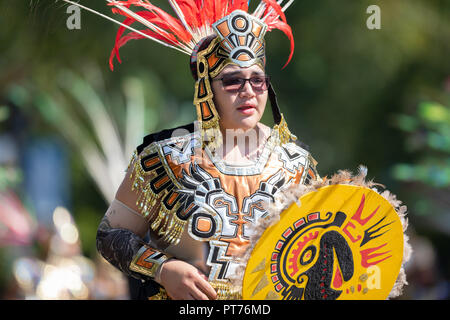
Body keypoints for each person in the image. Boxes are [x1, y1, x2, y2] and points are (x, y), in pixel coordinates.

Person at [81, 0, 320, 300]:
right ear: (206, 86)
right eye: (233, 80)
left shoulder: (298, 163)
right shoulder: (163, 158)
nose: (248, 90)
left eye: (257, 80)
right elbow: (109, 235)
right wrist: (163, 270)